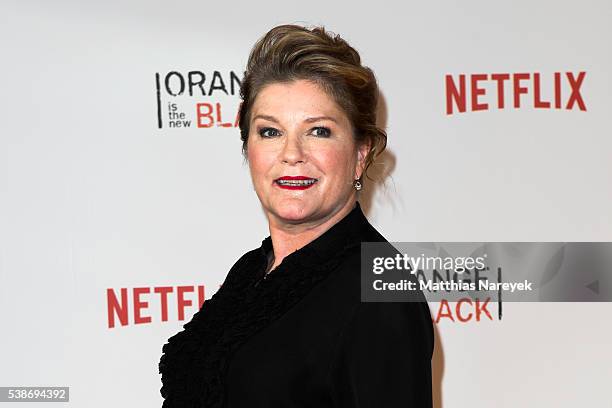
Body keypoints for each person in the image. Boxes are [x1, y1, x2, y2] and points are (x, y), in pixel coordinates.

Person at [159, 23, 434, 408]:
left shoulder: (378, 292)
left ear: (360, 153)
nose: (292, 154)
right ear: (248, 147)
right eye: (270, 132)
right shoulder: (252, 270)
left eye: (318, 131)